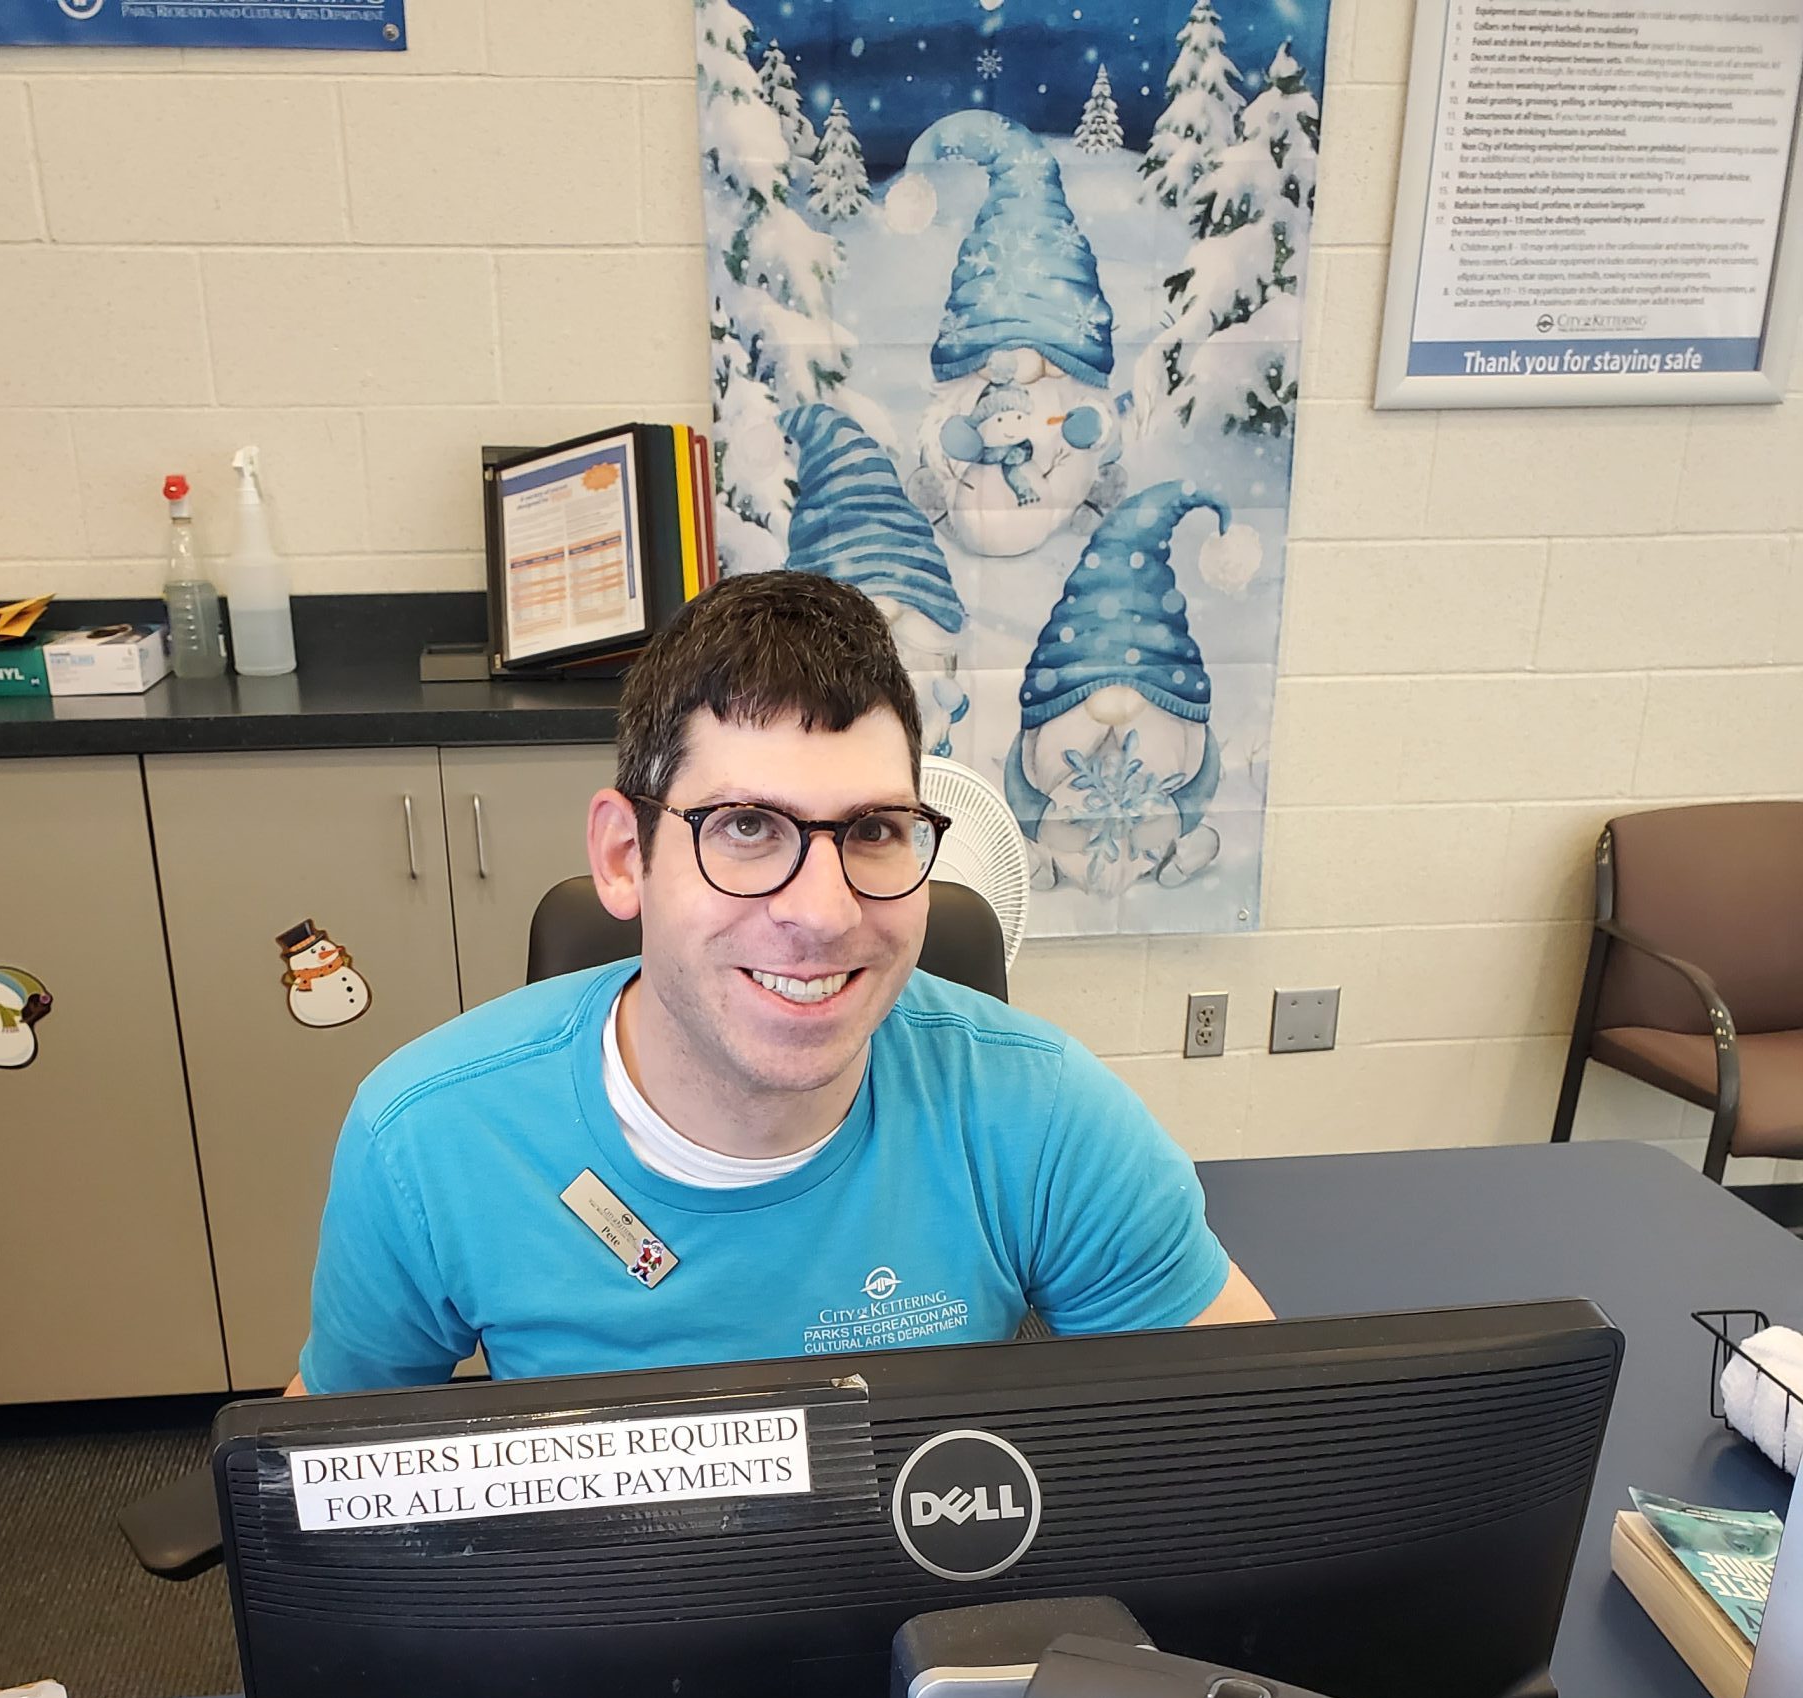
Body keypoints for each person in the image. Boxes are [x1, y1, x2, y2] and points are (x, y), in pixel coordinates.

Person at [294, 571, 1267, 1395]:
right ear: (624, 855)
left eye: (876, 831)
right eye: (748, 828)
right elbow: (317, 1485)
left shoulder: (1044, 1112)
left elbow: (1251, 1427)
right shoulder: (428, 1137)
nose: (824, 913)